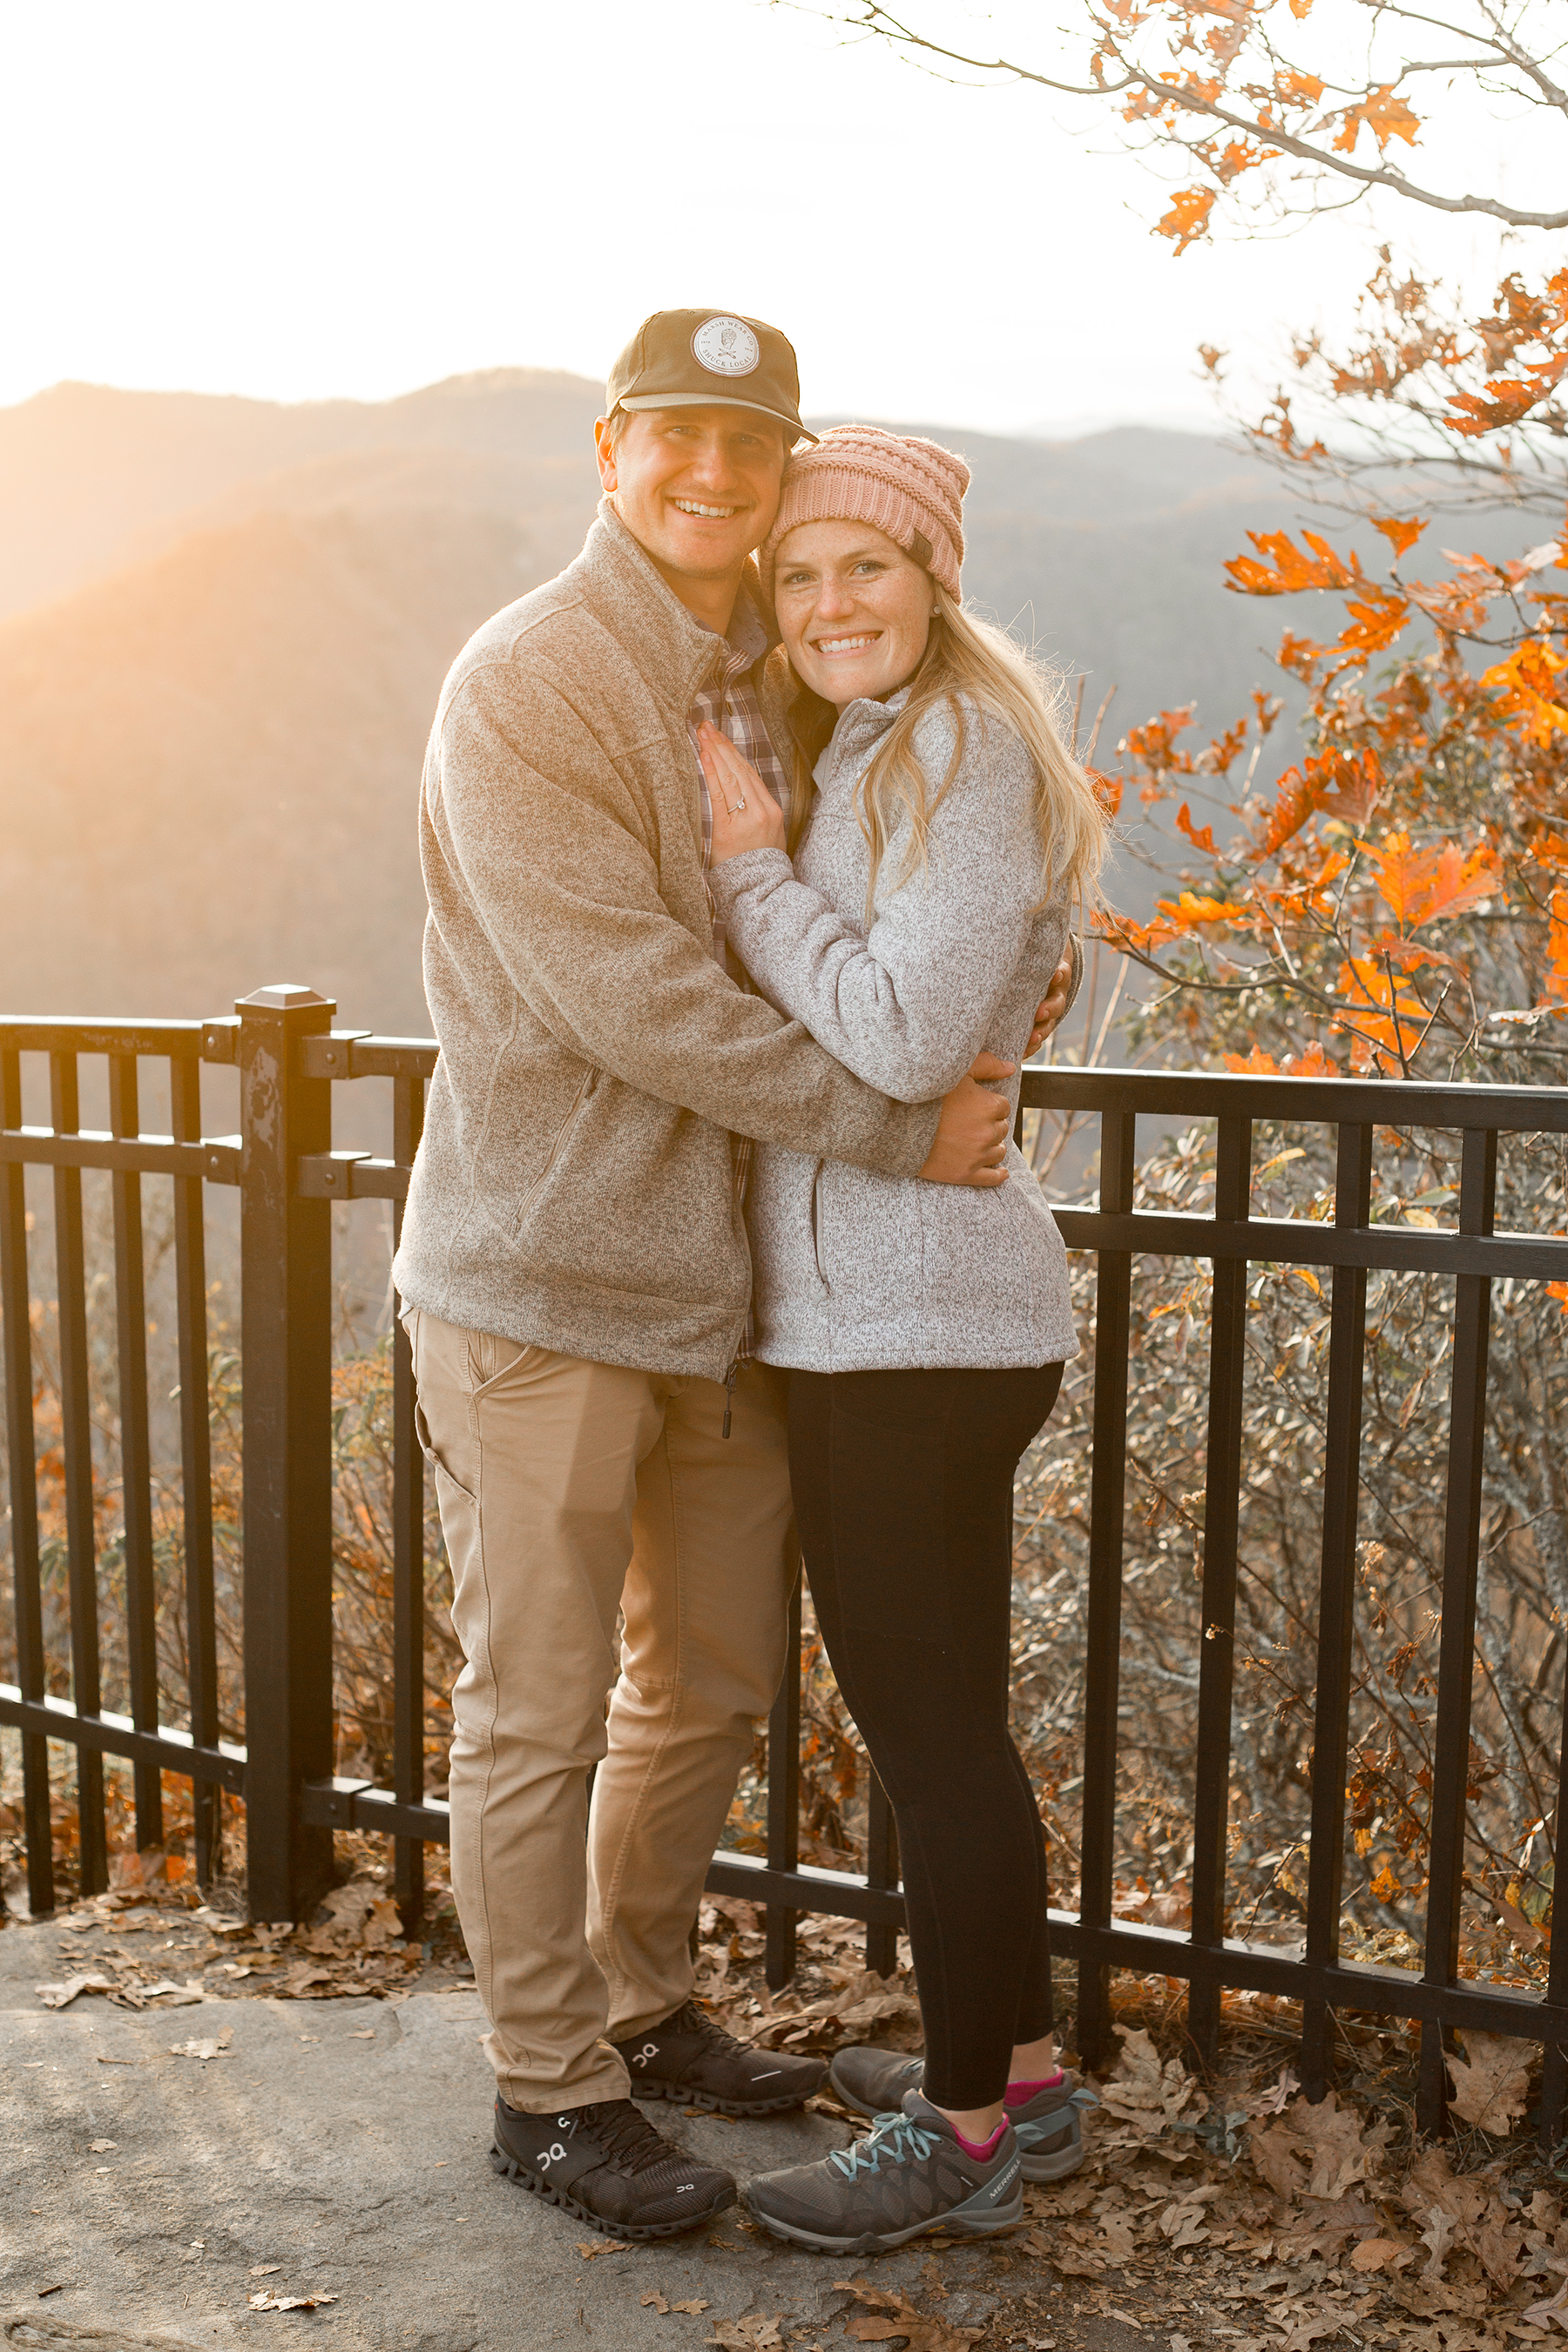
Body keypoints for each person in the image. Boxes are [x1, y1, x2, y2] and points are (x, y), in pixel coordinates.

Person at [393, 314, 1073, 2243]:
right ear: (610, 451)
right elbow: (625, 989)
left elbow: (906, 897)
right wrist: (894, 1126)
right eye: (675, 437)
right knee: (538, 1705)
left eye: (749, 448)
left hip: (730, 1300)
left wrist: (1018, 996)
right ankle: (548, 2087)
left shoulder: (768, 676)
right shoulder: (529, 677)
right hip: (540, 1274)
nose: (713, 473)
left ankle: (644, 2000)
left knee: (696, 1684)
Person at [695, 424, 1108, 2254]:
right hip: (897, 1321)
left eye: (865, 564)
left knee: (933, 1742)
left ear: (934, 577)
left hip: (913, 1337)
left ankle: (957, 2144)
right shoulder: (882, 744)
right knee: (956, 1735)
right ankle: (1013, 2070)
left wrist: (748, 875)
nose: (828, 601)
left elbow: (893, 1034)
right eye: (797, 574)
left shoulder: (957, 754)